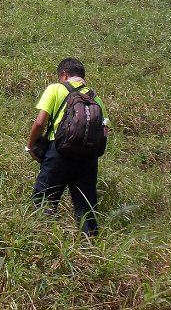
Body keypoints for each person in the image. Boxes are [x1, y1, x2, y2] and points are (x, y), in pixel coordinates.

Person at [26, 58, 110, 236]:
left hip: (59, 153)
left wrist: (30, 146)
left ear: (64, 74)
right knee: (86, 209)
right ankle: (90, 250)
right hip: (88, 159)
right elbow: (105, 130)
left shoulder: (56, 89)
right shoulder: (96, 98)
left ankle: (41, 240)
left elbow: (40, 122)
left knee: (43, 202)